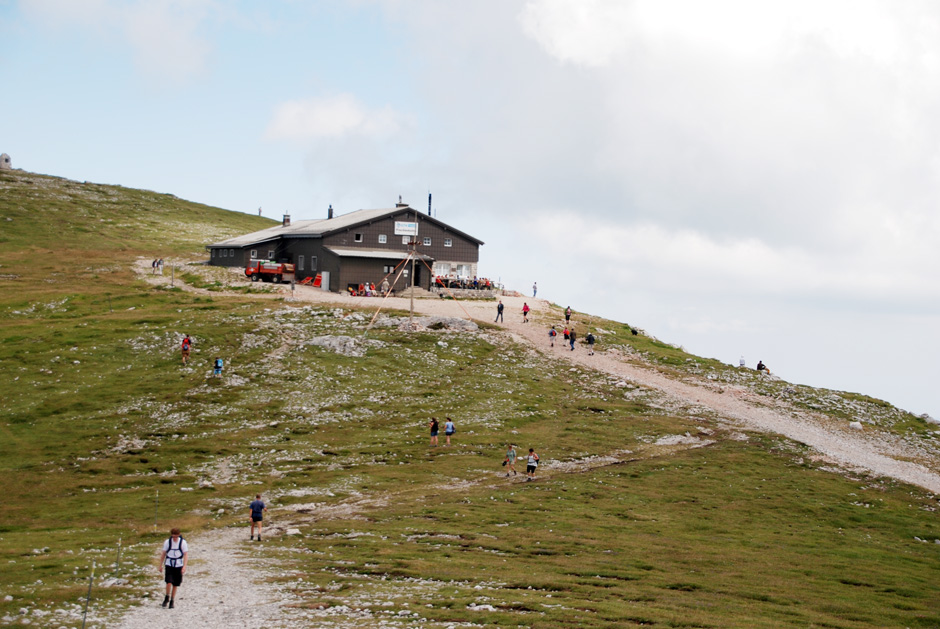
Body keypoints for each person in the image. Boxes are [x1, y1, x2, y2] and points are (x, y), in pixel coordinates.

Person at [159, 528, 188, 609]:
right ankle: (167, 596)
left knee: (175, 584)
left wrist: (184, 566)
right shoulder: (167, 542)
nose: (174, 538)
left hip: (178, 565)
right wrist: (160, 565)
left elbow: (185, 555)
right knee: (168, 581)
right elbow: (163, 554)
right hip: (169, 564)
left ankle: (172, 600)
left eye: (176, 536)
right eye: (173, 536)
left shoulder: (182, 542)